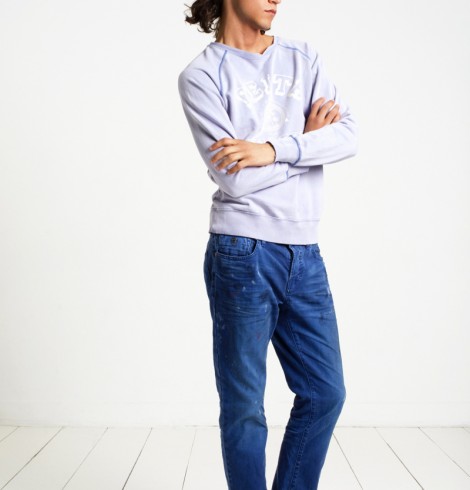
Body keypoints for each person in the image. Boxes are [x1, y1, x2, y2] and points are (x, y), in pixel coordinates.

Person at [177, 0, 358, 488]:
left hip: (306, 251)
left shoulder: (303, 58)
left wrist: (273, 149)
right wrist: (308, 143)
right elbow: (234, 181)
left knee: (325, 393)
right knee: (244, 407)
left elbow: (348, 137)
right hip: (242, 252)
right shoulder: (202, 76)